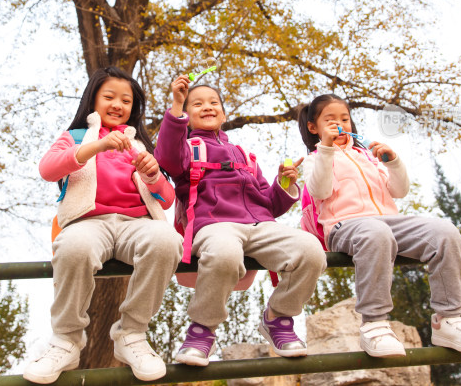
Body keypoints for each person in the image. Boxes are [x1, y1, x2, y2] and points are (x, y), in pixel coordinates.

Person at [297, 94, 461, 358]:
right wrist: (326, 150)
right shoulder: (316, 158)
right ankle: (374, 324)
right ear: (314, 127)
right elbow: (319, 190)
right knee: (376, 233)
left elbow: (399, 191)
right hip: (346, 226)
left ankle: (448, 320)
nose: (339, 125)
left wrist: (393, 162)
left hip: (390, 223)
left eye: (344, 119)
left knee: (445, 232)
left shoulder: (367, 156)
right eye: (330, 120)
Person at [23, 66, 183, 384]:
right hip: (88, 222)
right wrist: (97, 146)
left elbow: (165, 200)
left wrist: (152, 173)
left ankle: (132, 335)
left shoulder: (138, 145)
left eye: (126, 101)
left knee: (166, 239)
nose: (117, 105)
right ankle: (66, 341)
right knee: (74, 247)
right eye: (109, 96)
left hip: (135, 224)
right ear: (93, 100)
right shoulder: (77, 137)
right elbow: (48, 168)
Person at [154, 74, 326, 366]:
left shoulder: (245, 156)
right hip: (213, 225)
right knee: (224, 253)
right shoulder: (187, 148)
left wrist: (283, 185)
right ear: (187, 113)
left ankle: (278, 317)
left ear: (223, 112)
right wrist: (176, 107)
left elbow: (268, 205)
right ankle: (202, 330)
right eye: (197, 104)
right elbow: (167, 157)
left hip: (259, 226)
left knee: (311, 250)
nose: (207, 107)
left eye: (214, 102)